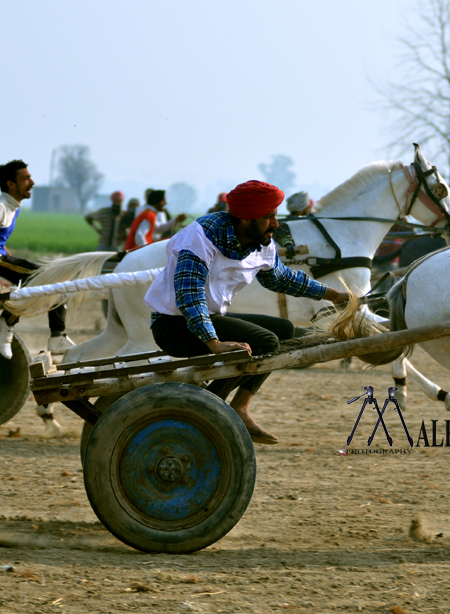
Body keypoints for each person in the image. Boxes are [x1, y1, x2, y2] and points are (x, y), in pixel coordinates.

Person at [144, 180, 349, 445]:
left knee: (284, 330)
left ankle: (240, 407)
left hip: (209, 319)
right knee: (266, 341)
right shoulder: (201, 237)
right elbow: (189, 295)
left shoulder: (261, 240)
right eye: (269, 217)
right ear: (244, 219)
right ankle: (208, 410)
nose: (276, 223)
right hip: (174, 325)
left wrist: (333, 295)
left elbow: (280, 279)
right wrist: (214, 344)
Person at [0, 160, 73, 358]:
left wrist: (11, 258)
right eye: (25, 178)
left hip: (0, 258)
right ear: (11, 184)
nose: (31, 182)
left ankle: (57, 335)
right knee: (43, 277)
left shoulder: (11, 206)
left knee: (53, 274)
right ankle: (7, 323)